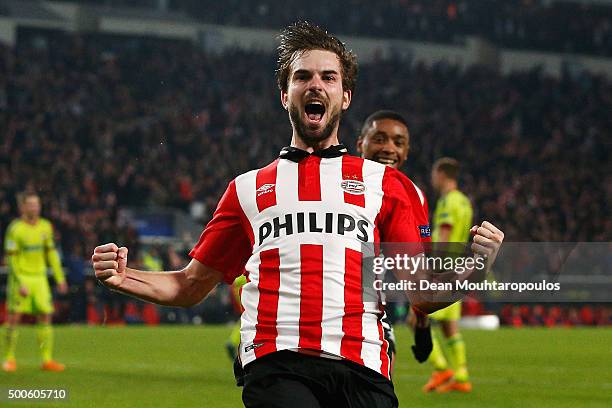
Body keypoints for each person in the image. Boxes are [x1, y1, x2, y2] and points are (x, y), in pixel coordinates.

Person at [92, 22, 504, 407]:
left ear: (345, 97)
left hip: (364, 367)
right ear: (285, 94)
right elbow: (190, 285)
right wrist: (123, 277)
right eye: (302, 76)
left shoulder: (388, 186)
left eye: (328, 77)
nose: (315, 85)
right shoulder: (247, 189)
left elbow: (422, 294)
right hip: (277, 362)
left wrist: (474, 264)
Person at [356, 110, 433, 371]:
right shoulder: (330, 178)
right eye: (379, 139)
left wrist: (422, 325)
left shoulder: (411, 195)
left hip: (366, 316)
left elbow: (418, 269)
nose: (389, 148)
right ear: (360, 144)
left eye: (398, 143)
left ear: (407, 151)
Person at [422, 157, 474, 393]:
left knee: (417, 319)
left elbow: (444, 234)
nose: (433, 179)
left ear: (442, 174)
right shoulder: (464, 202)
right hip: (458, 268)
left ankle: (441, 367)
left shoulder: (448, 202)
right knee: (448, 325)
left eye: (434, 174)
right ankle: (461, 376)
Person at [2, 192, 68, 372]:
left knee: (45, 316)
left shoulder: (46, 227)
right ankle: (9, 359)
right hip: (21, 277)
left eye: (36, 204)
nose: (34, 208)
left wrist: (59, 277)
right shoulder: (15, 229)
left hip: (40, 278)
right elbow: (12, 260)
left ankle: (46, 360)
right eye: (30, 205)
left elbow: (51, 254)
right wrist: (19, 281)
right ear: (22, 207)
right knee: (14, 318)